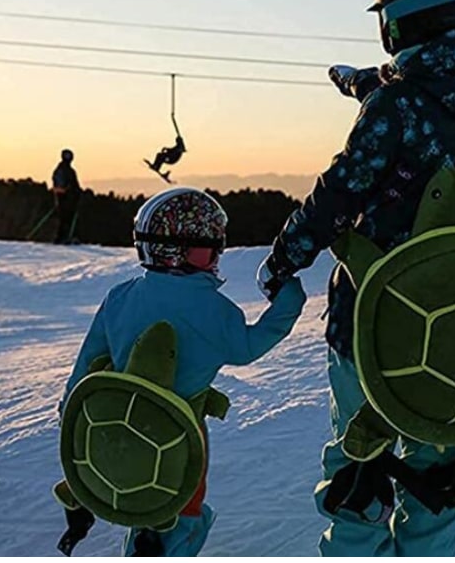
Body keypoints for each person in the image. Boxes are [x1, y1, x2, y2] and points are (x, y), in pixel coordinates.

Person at [257, 0, 455, 557]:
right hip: (443, 317)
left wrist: (283, 259)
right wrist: (361, 84)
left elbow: (339, 193)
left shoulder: (393, 105)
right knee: (432, 465)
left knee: (355, 469)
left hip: (370, 316)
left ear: (400, 24)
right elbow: (418, 110)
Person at [57, 187, 306, 557]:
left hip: (116, 430)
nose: (216, 257)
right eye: (209, 249)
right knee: (177, 513)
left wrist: (71, 416)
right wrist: (289, 300)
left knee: (140, 500)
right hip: (181, 435)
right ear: (178, 251)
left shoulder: (120, 297)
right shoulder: (216, 311)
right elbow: (249, 347)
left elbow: (85, 368)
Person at [52, 148, 82, 244]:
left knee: (67, 218)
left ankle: (65, 236)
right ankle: (62, 237)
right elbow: (63, 185)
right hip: (65, 198)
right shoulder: (63, 170)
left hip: (68, 198)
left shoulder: (65, 170)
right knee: (65, 218)